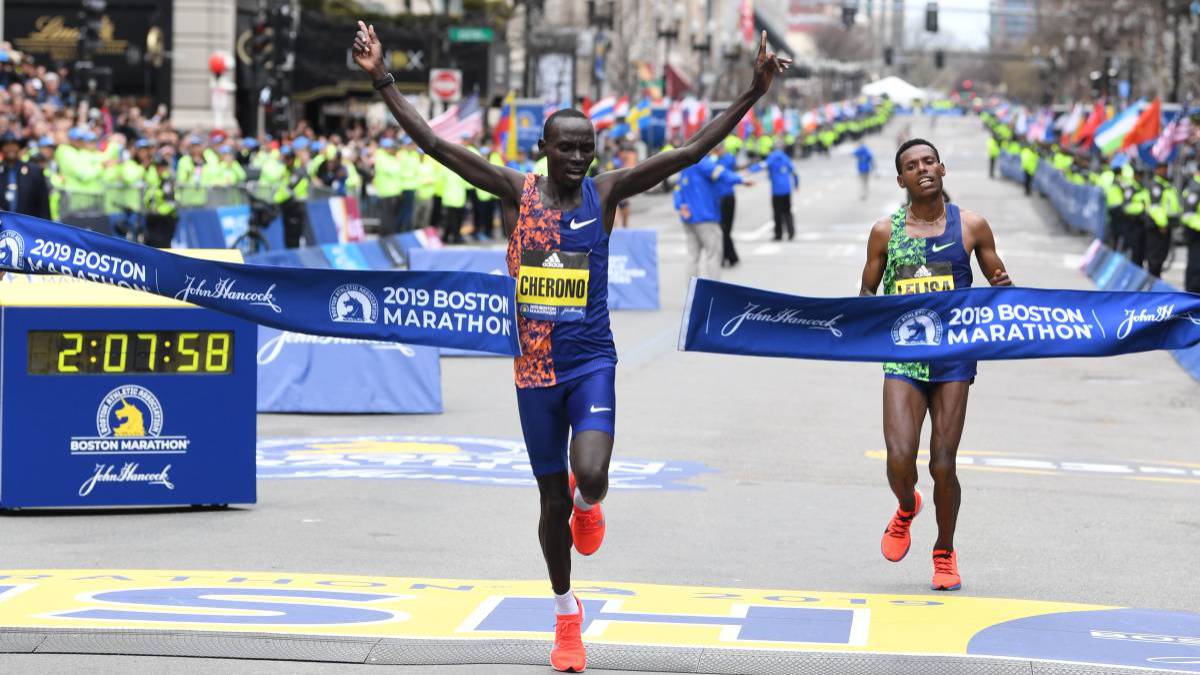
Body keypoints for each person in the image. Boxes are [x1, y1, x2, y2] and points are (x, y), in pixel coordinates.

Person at [353, 22, 789, 672]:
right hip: (533, 372)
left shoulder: (606, 192)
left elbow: (690, 149)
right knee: (548, 499)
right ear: (544, 149)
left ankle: (592, 505)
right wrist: (383, 77)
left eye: (588, 146)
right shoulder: (513, 191)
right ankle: (565, 615)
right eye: (568, 147)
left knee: (589, 476)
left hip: (590, 360)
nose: (580, 157)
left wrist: (753, 93)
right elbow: (434, 146)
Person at [858, 138, 1011, 592]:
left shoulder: (971, 227)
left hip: (953, 359)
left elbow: (1002, 287)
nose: (922, 168)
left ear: (942, 169)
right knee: (900, 458)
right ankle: (907, 506)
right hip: (903, 356)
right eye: (911, 165)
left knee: (943, 463)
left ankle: (944, 550)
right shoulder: (886, 232)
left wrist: (1007, 293)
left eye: (929, 161)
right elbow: (866, 296)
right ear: (901, 179)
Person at [673, 152, 728, 281]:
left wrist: (680, 205)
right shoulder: (703, 162)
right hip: (706, 217)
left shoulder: (685, 166)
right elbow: (721, 174)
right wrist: (740, 179)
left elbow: (677, 190)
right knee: (713, 256)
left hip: (689, 219)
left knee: (692, 258)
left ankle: (691, 294)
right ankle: (714, 293)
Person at [751, 140, 798, 240]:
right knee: (787, 212)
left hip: (777, 191)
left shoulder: (772, 157)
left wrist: (751, 169)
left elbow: (763, 165)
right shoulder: (785, 158)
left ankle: (778, 234)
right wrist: (797, 184)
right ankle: (791, 232)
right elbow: (794, 171)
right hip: (787, 189)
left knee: (777, 214)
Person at [0, 131, 50, 219]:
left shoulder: (34, 171)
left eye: (14, 144)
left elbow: (43, 205)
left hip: (27, 227)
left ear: (19, 147)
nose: (10, 148)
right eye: (6, 144)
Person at [1144, 162, 1180, 278]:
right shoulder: (1155, 185)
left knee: (1161, 256)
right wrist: (1162, 224)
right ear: (1156, 170)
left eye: (1165, 168)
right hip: (1158, 227)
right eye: (1161, 168)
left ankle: (1156, 279)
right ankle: (1153, 281)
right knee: (1155, 258)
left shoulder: (1166, 184)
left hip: (1166, 226)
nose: (1164, 171)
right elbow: (1155, 207)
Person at [1182, 163, 1200, 294]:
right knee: (1196, 266)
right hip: (1195, 233)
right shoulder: (1195, 187)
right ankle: (1192, 295)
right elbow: (1188, 214)